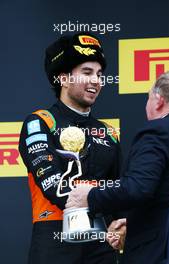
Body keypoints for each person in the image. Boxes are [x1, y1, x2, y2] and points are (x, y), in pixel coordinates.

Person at [19, 32, 122, 264]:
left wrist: (121, 224)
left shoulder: (109, 132)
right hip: (54, 240)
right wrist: (101, 198)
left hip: (101, 244)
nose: (96, 80)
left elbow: (120, 187)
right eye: (86, 72)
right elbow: (53, 184)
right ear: (63, 78)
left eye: (99, 74)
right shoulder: (40, 121)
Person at [66, 70, 169, 264]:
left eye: (148, 98)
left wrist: (90, 195)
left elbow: (138, 187)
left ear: (158, 100)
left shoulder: (159, 130)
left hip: (159, 251)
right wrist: (134, 222)